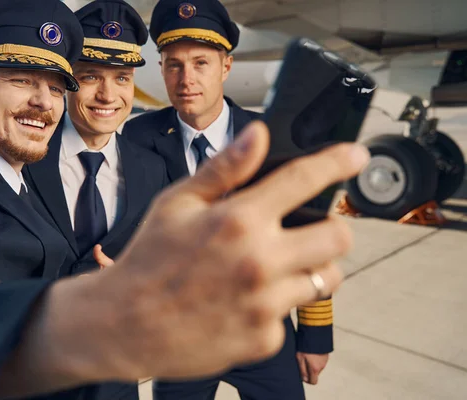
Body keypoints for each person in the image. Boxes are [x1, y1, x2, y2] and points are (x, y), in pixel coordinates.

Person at [0, 2, 371, 400]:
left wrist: (314, 331)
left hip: (136, 374)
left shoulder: (142, 159)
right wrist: (105, 315)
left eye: (53, 85)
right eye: (22, 79)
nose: (44, 101)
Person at [122, 0, 334, 398]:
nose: (187, 78)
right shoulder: (137, 138)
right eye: (174, 64)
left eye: (201, 63)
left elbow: (306, 237)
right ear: (162, 69)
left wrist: (316, 333)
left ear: (226, 67)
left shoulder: (271, 141)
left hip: (262, 331)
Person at [22, 1, 167, 398]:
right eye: (90, 76)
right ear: (68, 79)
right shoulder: (23, 156)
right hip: (33, 369)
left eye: (122, 78)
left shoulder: (152, 169)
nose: (108, 95)